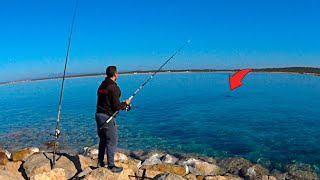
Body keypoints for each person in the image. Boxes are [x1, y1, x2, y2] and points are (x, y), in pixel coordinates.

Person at [95, 66, 131, 173]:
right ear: (115, 74)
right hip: (108, 118)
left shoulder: (101, 86)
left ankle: (100, 162)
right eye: (117, 73)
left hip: (98, 115)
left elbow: (107, 102)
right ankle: (111, 166)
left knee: (103, 140)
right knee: (112, 141)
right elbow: (116, 106)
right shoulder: (114, 88)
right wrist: (126, 103)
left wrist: (122, 104)